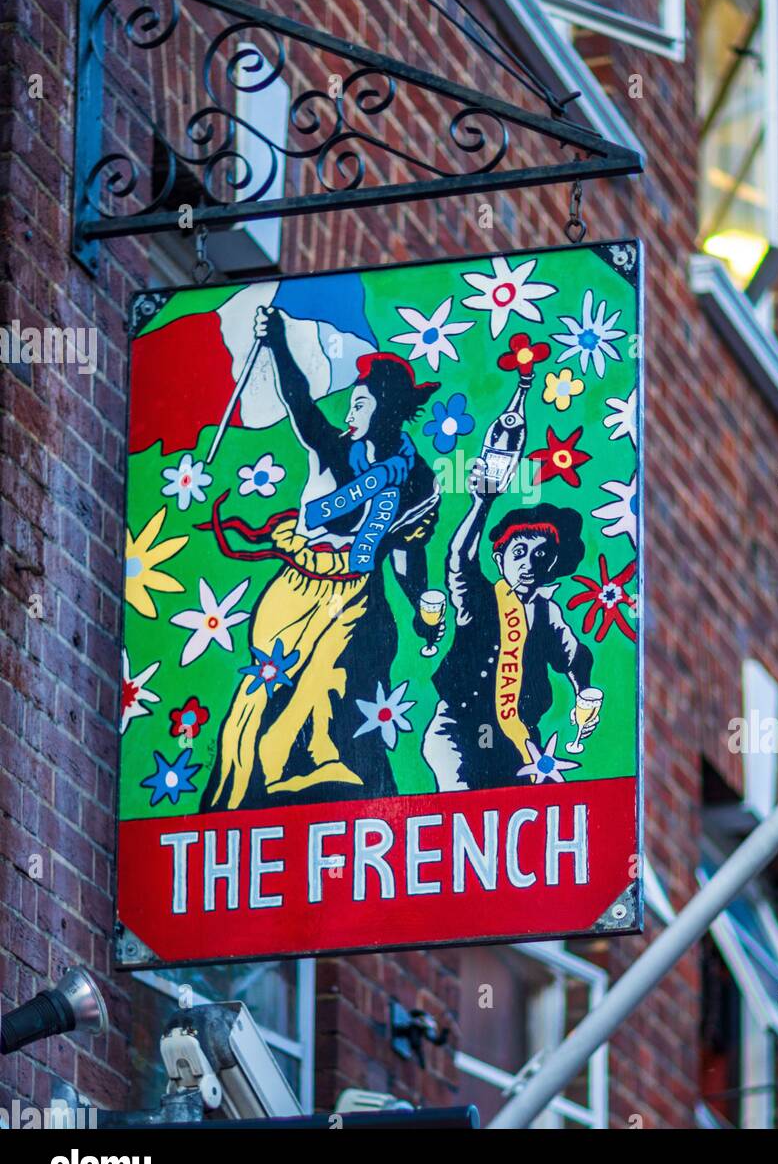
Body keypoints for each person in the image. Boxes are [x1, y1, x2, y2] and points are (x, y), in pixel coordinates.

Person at [200, 307, 441, 811]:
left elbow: (404, 552)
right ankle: (241, 789)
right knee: (265, 686)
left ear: (386, 409)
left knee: (331, 679)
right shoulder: (332, 447)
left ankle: (318, 774)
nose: (349, 414)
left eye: (359, 404)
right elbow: (299, 401)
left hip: (354, 591)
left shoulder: (416, 477)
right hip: (297, 583)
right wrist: (278, 343)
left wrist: (422, 607)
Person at [422, 457, 596, 791]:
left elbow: (574, 657)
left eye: (540, 556)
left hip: (518, 739)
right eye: (519, 553)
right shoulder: (479, 600)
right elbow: (459, 559)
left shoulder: (547, 613)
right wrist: (482, 503)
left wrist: (582, 692)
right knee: (460, 803)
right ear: (500, 559)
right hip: (459, 728)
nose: (529, 564)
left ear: (553, 563)